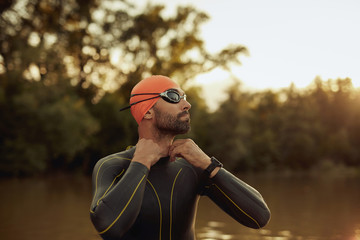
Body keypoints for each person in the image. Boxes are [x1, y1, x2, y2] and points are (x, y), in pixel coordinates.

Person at [90, 75, 271, 240]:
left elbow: (260, 217)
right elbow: (108, 228)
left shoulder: (195, 167)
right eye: (174, 97)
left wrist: (209, 164)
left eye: (184, 97)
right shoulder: (112, 166)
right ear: (147, 111)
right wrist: (141, 162)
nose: (186, 105)